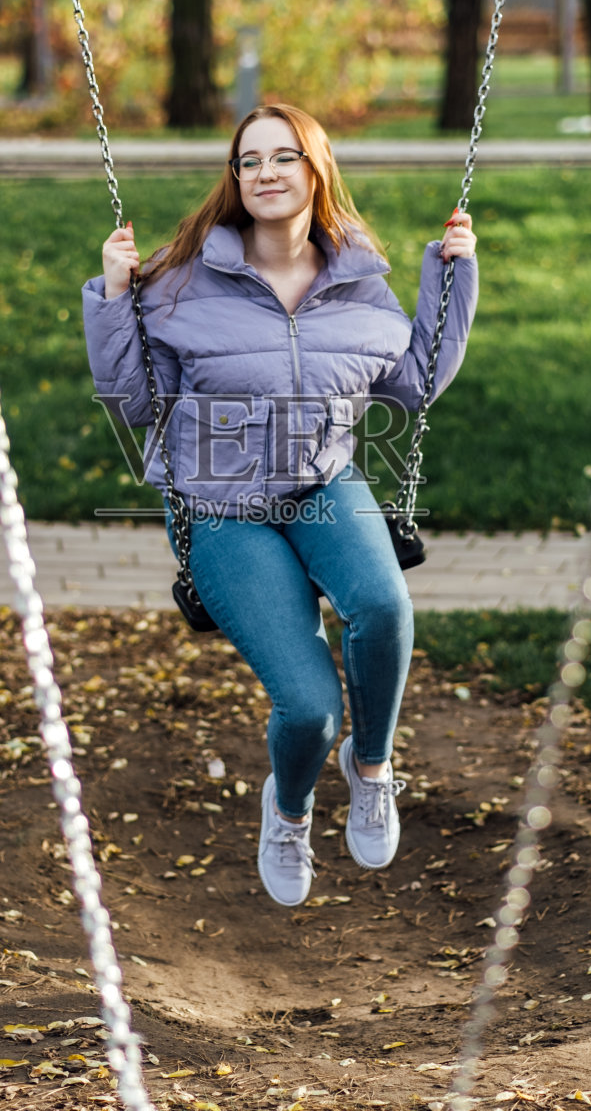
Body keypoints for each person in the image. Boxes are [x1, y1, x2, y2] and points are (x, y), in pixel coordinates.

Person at [83, 104, 477, 908]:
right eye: (248, 161)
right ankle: (289, 810)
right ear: (234, 181)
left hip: (323, 483)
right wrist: (112, 295)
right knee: (305, 706)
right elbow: (128, 400)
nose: (264, 173)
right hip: (219, 508)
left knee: (383, 609)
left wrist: (451, 275)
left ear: (315, 170)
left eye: (283, 157)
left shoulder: (361, 286)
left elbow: (412, 384)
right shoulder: (179, 282)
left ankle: (371, 768)